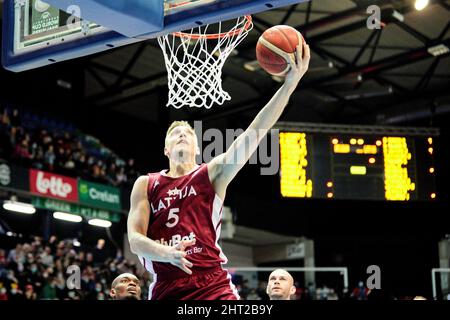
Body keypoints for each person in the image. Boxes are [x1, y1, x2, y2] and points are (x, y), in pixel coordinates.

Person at [127, 42, 311, 300]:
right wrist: (167, 253)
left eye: (187, 134)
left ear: (197, 149)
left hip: (212, 283)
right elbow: (135, 240)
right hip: (167, 284)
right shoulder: (146, 183)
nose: (181, 135)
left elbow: (253, 134)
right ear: (166, 150)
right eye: (175, 134)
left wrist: (289, 85)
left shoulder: (210, 174)